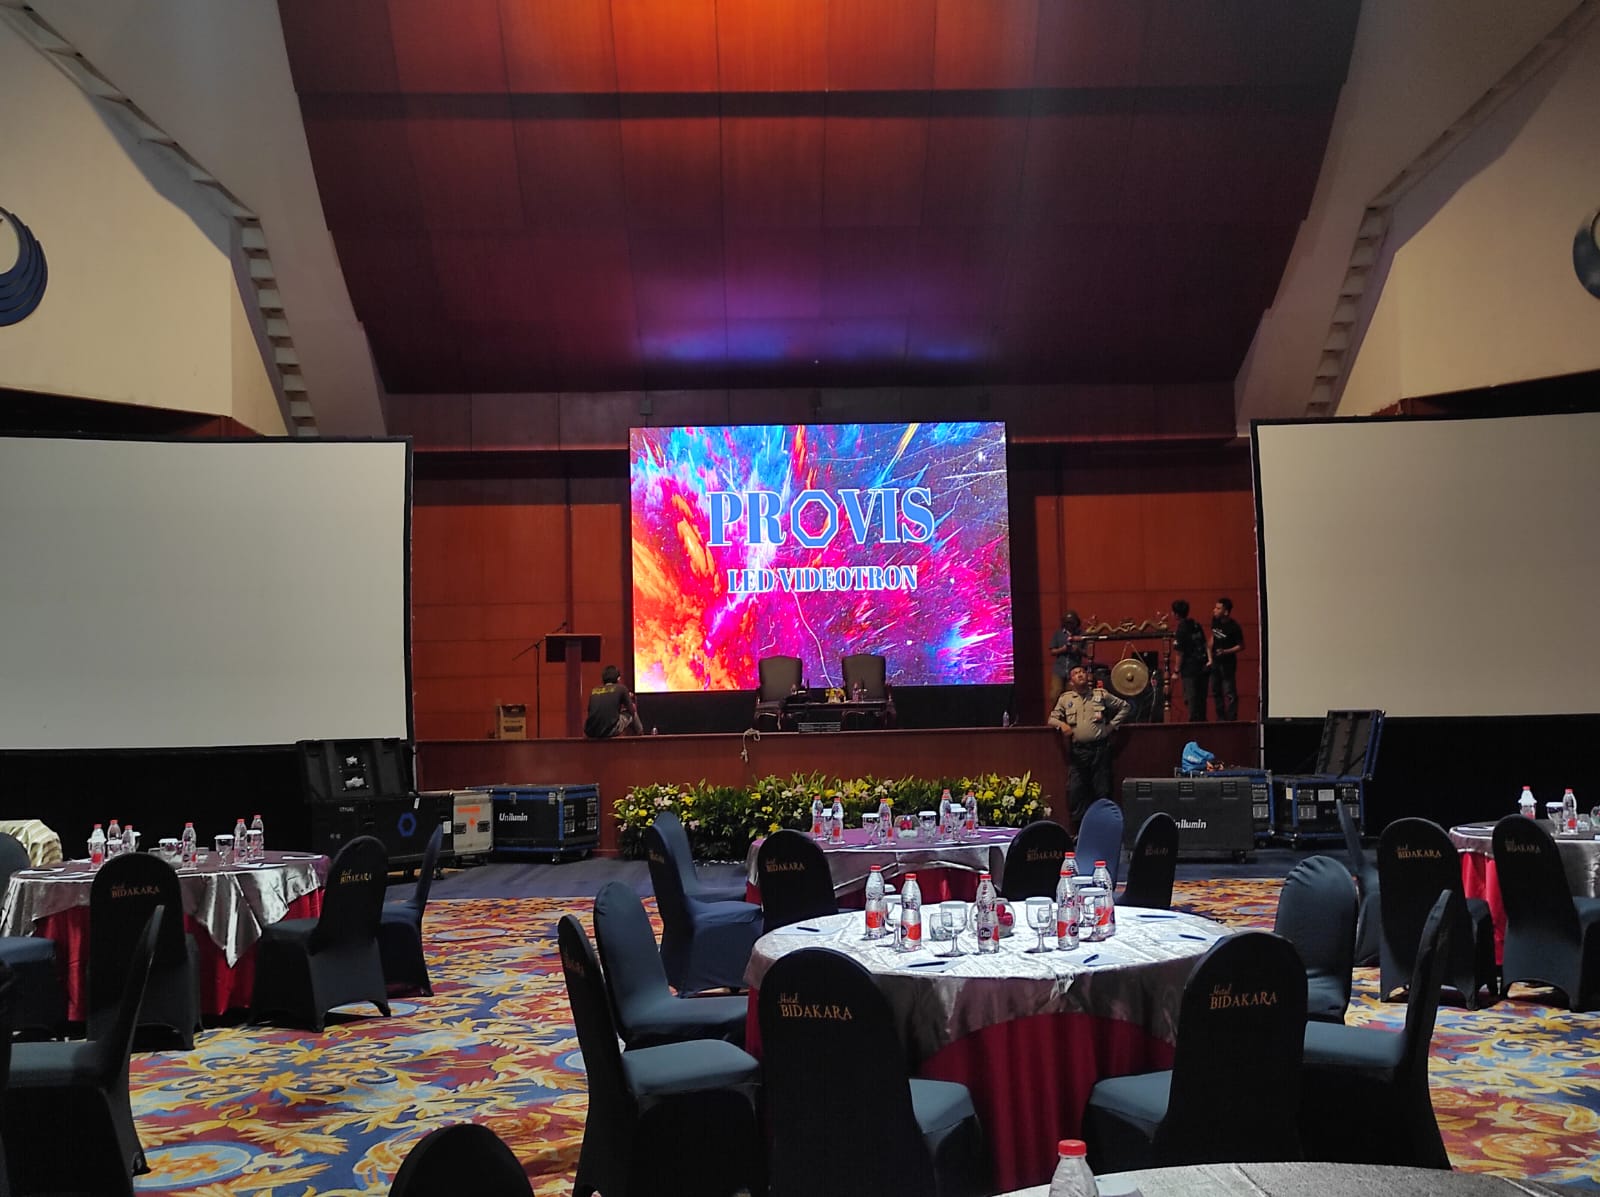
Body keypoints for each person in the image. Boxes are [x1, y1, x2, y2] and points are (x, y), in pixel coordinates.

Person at [1049, 664, 1131, 824]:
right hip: (1079, 752)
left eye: (1082, 672)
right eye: (1075, 673)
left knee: (1103, 791)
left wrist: (1110, 727)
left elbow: (1125, 707)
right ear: (1071, 681)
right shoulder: (1066, 699)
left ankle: (1105, 827)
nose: (1080, 674)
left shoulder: (1100, 695)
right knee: (1076, 792)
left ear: (1088, 677)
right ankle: (1079, 830)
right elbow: (1051, 719)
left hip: (1100, 750)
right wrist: (1062, 725)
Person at [1170, 599, 1209, 722]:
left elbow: (1180, 653)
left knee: (1191, 698)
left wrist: (1176, 671)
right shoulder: (1196, 625)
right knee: (1201, 698)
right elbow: (1205, 644)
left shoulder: (1181, 630)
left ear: (1176, 614)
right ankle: (1202, 722)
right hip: (1203, 666)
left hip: (1190, 669)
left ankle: (1194, 724)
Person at [584, 665, 644, 739]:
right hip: (609, 731)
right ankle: (641, 737)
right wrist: (628, 698)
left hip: (591, 732)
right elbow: (631, 709)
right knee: (632, 711)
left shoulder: (594, 690)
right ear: (618, 678)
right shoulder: (621, 688)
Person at [1209, 597, 1244, 721]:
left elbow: (1240, 646)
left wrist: (1225, 651)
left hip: (1227, 663)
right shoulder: (1215, 621)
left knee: (1229, 692)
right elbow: (1213, 637)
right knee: (1216, 690)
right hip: (1215, 661)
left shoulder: (1234, 627)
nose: (1214, 610)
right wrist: (1209, 655)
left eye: (1218, 608)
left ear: (1226, 612)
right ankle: (1221, 717)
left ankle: (1231, 717)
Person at [1047, 610, 1088, 709]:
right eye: (1067, 622)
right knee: (1055, 694)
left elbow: (1087, 653)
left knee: (1072, 695)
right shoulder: (1058, 634)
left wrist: (1077, 650)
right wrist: (1063, 649)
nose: (1069, 625)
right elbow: (1052, 651)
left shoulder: (1081, 635)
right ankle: (1056, 714)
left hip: (1074, 669)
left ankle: (1069, 716)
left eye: (1072, 622)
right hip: (1059, 669)